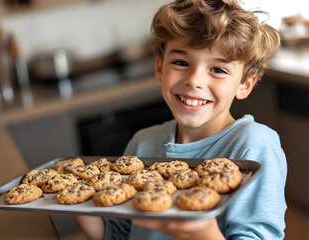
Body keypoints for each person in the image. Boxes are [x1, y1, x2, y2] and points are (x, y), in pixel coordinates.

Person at [75, 0, 287, 239]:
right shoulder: (142, 144)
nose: (194, 80)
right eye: (181, 62)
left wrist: (203, 232)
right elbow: (122, 233)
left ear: (244, 84)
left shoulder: (253, 146)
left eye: (218, 69)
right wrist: (79, 204)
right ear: (159, 67)